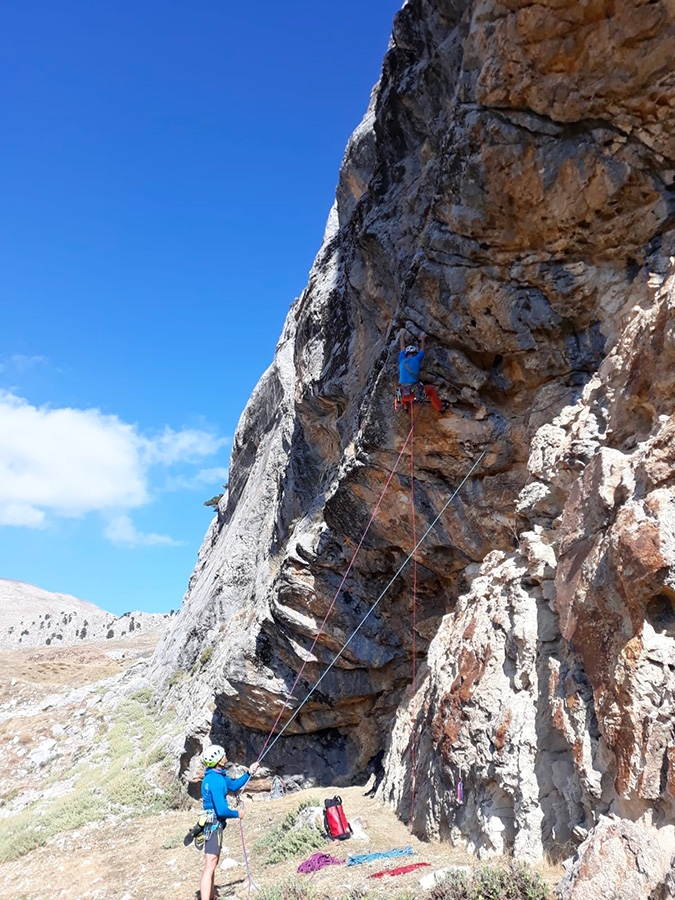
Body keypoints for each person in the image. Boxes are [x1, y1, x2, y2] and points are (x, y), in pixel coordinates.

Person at [199, 744, 260, 900]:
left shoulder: (215, 776)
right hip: (214, 823)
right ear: (219, 760)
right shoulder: (216, 780)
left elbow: (233, 785)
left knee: (212, 863)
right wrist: (237, 813)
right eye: (223, 754)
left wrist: (249, 772)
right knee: (210, 865)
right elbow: (221, 810)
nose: (226, 755)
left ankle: (211, 896)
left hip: (210, 823)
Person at [398, 328, 447, 412]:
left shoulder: (402, 360)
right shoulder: (417, 359)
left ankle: (405, 406)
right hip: (414, 393)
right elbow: (422, 349)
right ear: (414, 353)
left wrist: (402, 334)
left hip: (402, 395)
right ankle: (441, 408)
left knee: (401, 388)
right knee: (431, 391)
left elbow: (402, 347)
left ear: (406, 354)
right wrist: (422, 338)